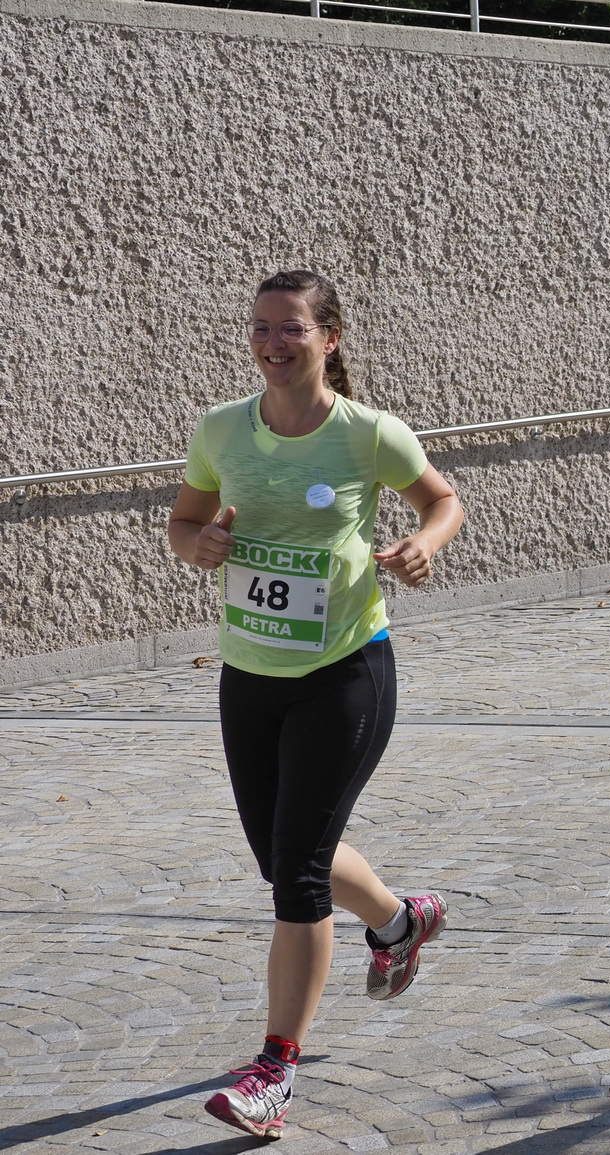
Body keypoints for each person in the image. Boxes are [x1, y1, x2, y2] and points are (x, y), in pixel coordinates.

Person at [167, 270, 464, 1140]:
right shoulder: (222, 428)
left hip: (344, 673)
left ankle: (274, 1070)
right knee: (284, 854)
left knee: (297, 871)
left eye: (290, 328)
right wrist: (199, 543)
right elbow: (182, 524)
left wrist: (424, 543)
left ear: (329, 338)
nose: (272, 342)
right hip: (250, 673)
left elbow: (443, 499)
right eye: (261, 326)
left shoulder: (368, 433)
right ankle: (399, 920)